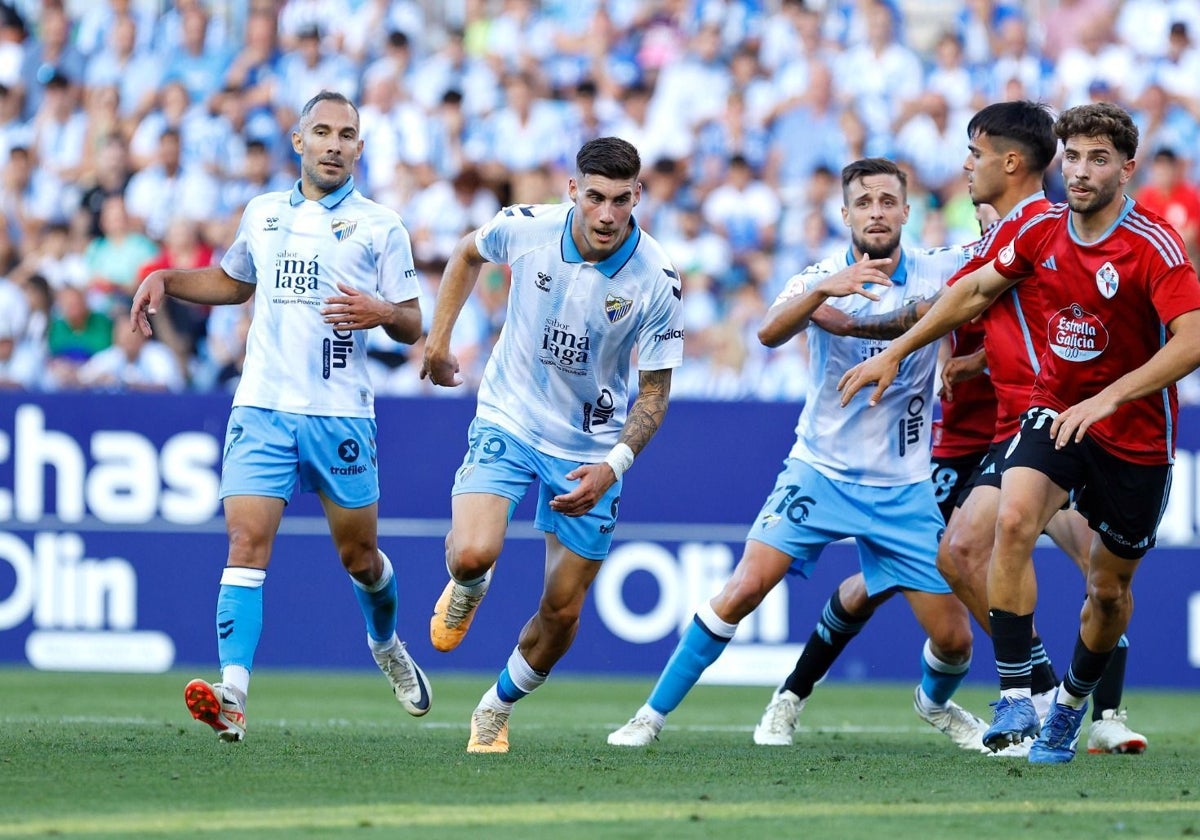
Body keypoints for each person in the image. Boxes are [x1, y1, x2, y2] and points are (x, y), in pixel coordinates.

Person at [756, 101, 1147, 757]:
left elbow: (1026, 317)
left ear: (1009, 167)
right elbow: (964, 307)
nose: (966, 171)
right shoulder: (984, 247)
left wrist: (885, 340)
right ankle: (798, 693)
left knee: (1096, 574)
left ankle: (1088, 710)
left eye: (974, 156)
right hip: (972, 441)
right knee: (902, 573)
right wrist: (941, 352)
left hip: (1041, 428)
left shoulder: (1038, 232)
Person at [839, 102, 1200, 763]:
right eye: (1074, 156)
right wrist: (897, 351)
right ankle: (1019, 694)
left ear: (1127, 168)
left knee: (1106, 588)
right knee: (1006, 522)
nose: (1083, 170)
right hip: (1055, 413)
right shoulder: (1042, 231)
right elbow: (973, 291)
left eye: (1100, 158)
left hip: (1133, 435)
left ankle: (1076, 705)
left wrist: (1111, 397)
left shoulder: (1153, 246)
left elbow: (1193, 338)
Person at [608, 157, 986, 750]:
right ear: (844, 214)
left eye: (888, 201)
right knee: (743, 589)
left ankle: (935, 705)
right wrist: (819, 293)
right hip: (820, 471)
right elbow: (767, 331)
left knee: (956, 641)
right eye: (864, 203)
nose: (877, 212)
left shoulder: (941, 269)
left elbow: (1008, 263)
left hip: (903, 486)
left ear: (908, 211)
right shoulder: (817, 274)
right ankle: (649, 717)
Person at [129, 90, 431, 742]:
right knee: (245, 543)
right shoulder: (263, 213)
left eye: (345, 134)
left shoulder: (382, 226)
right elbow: (236, 281)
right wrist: (168, 279)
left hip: (339, 414)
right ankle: (232, 694)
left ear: (359, 146)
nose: (332, 143)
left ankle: (385, 643)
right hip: (262, 406)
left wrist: (381, 313)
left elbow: (412, 322)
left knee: (361, 559)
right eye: (320, 131)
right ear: (298, 142)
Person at [419, 136, 683, 754]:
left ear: (638, 195)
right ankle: (468, 584)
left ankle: (494, 707)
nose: (608, 214)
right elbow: (464, 255)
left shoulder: (658, 280)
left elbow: (653, 395)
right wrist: (438, 340)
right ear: (573, 191)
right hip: (509, 414)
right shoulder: (526, 227)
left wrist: (612, 468)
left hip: (588, 446)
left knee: (561, 613)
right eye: (595, 197)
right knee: (472, 554)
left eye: (622, 199)